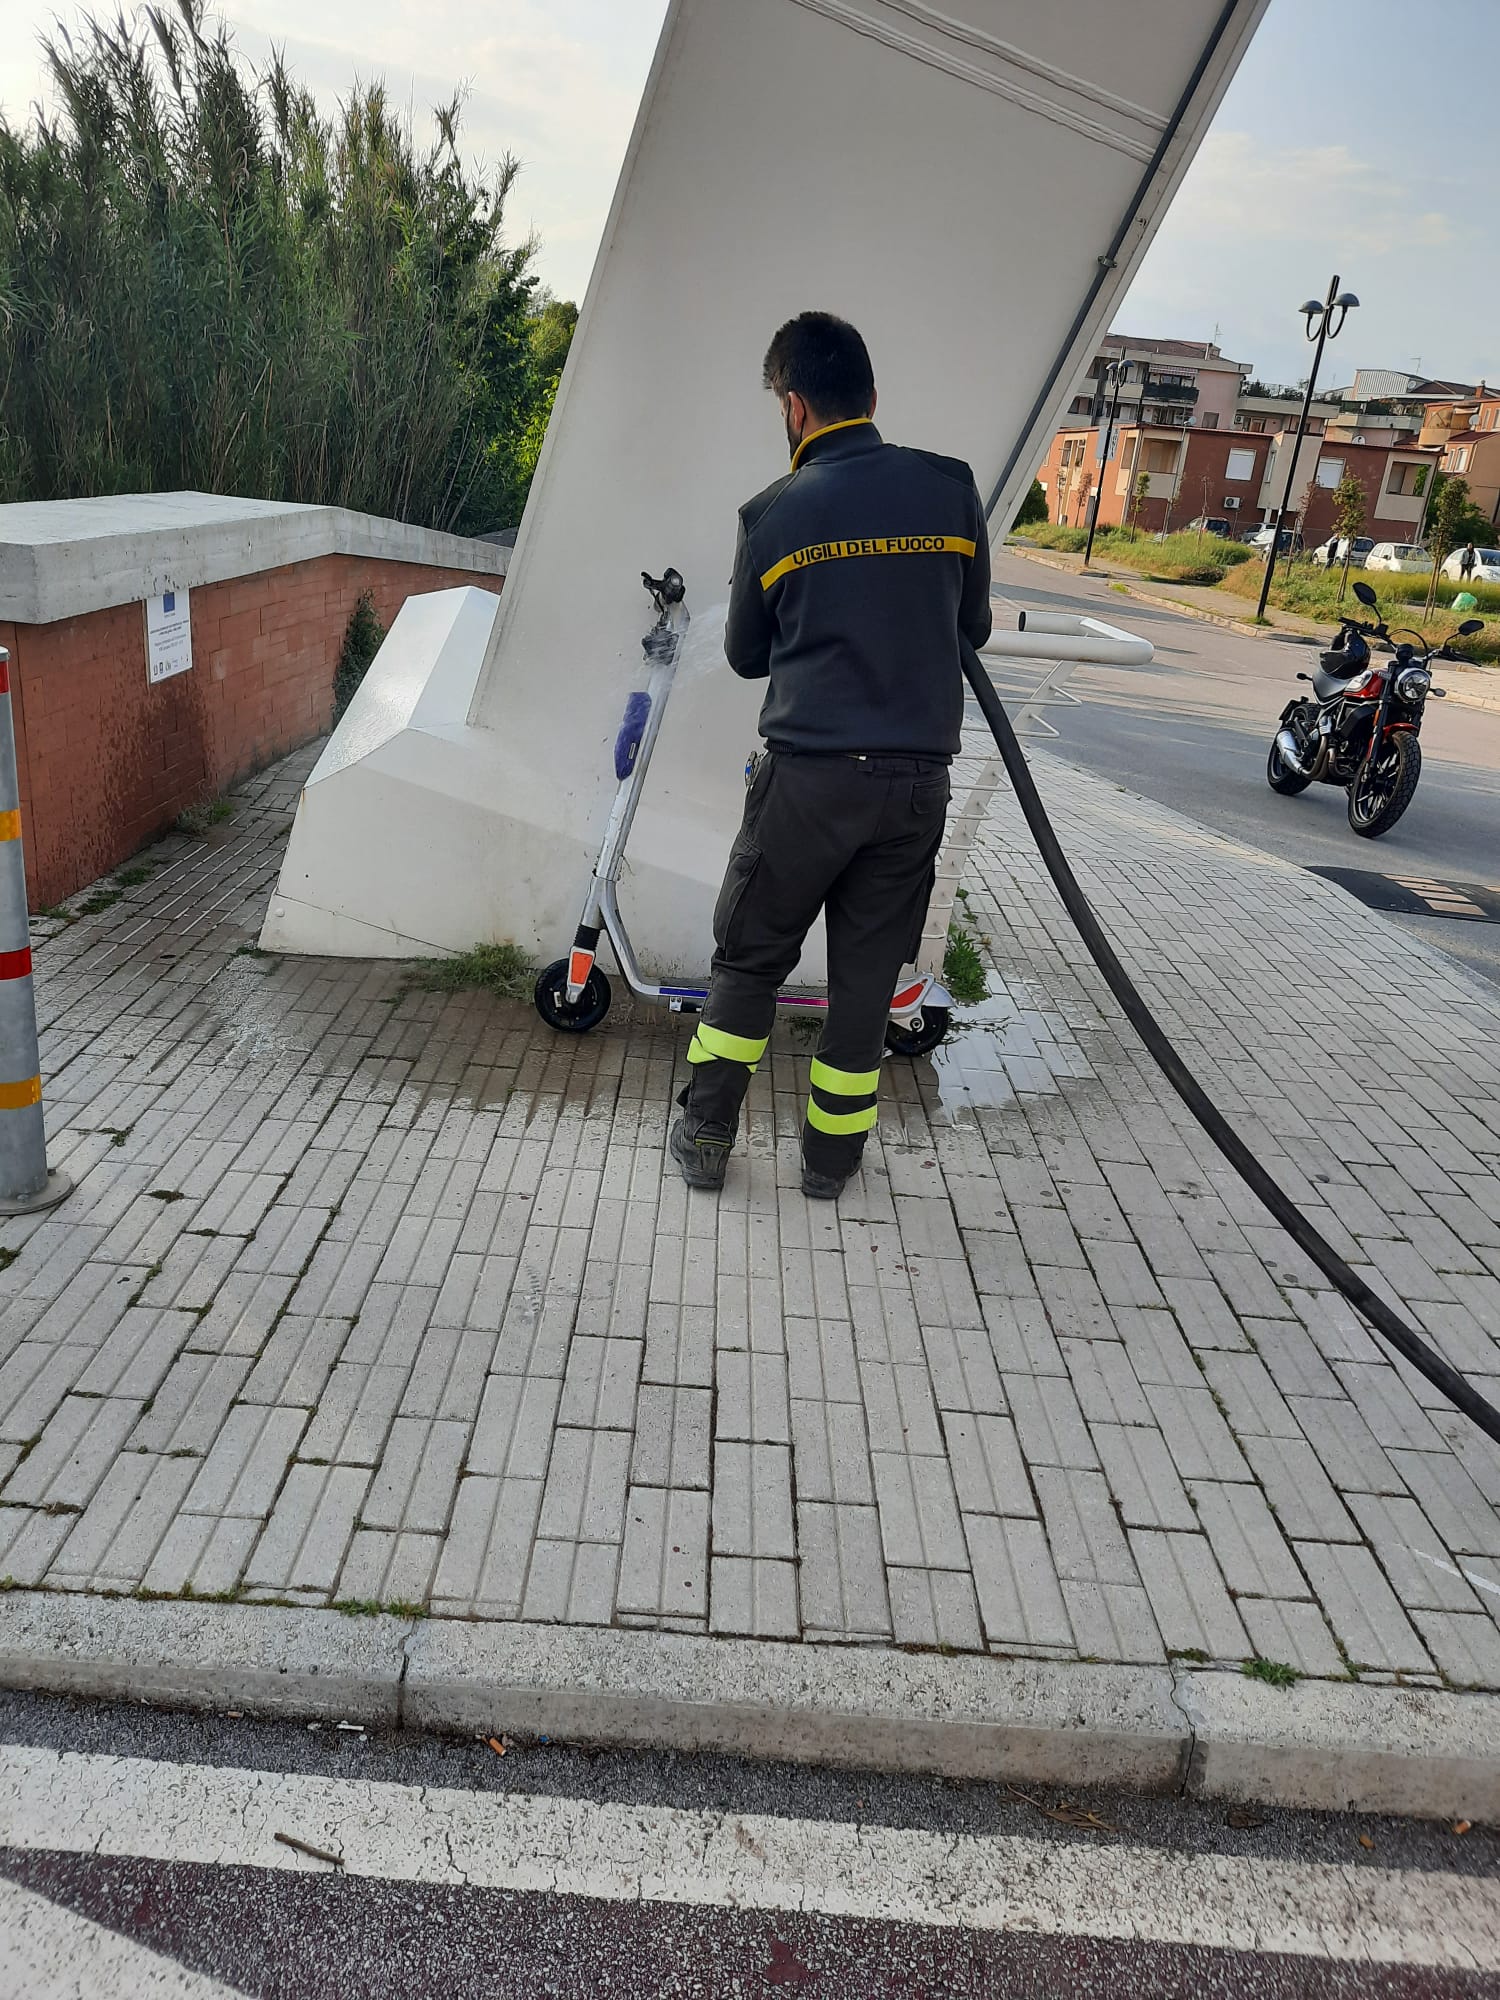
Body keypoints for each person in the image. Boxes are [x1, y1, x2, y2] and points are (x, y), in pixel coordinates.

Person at [669, 311, 992, 1200]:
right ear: (874, 398)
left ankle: (704, 1139)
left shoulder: (773, 515)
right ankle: (831, 1165)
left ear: (796, 406)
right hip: (915, 788)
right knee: (862, 986)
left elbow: (744, 654)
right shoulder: (951, 490)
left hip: (808, 787)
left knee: (749, 962)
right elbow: (974, 629)